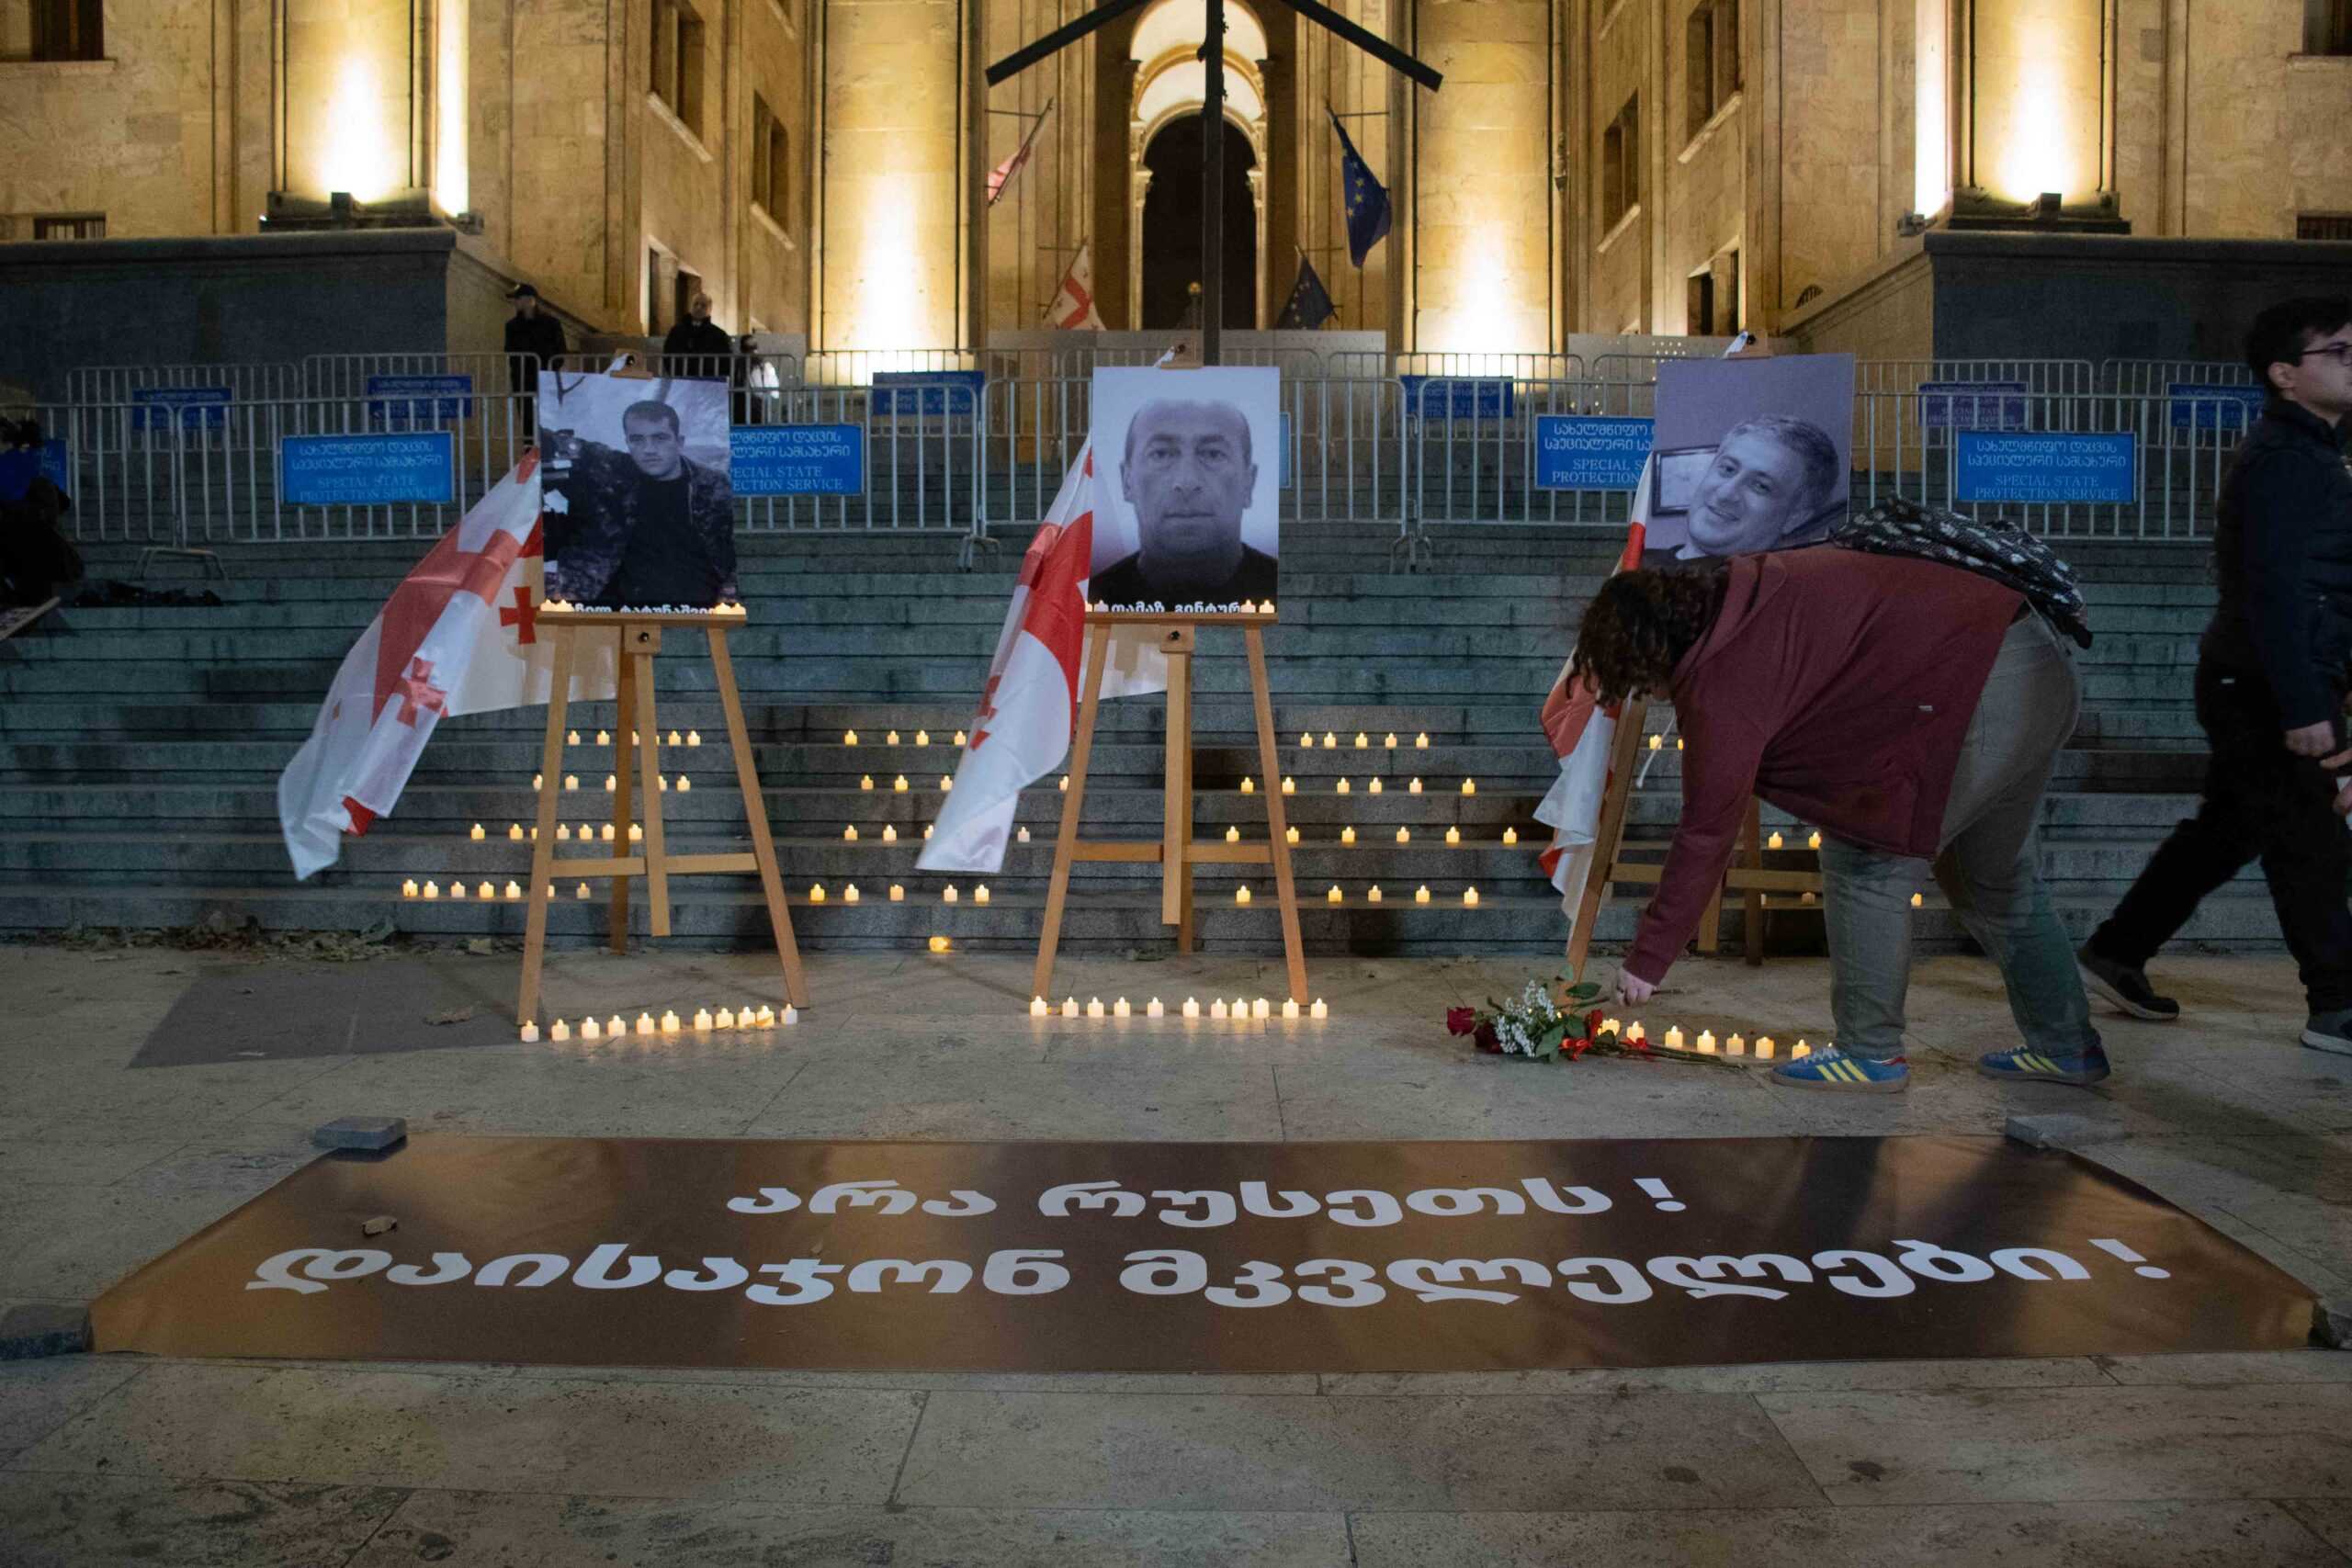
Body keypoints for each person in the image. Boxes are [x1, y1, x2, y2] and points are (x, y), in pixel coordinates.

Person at [1576, 548, 2104, 1092]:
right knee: (1992, 875)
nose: (1652, 696)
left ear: (1646, 656)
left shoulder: (1724, 673)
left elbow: (1708, 828)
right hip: (2036, 660)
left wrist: (1647, 962)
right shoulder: (1743, 590)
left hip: (1981, 682)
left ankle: (1869, 1052)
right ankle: (2066, 1047)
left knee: (1866, 857)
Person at [2076, 298, 2352, 1056]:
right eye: (2340, 351)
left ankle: (2117, 948)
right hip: (2265, 684)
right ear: (2285, 374)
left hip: (2265, 677)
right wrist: (2306, 704)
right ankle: (2337, 1003)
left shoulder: (2314, 454)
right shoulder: (2286, 460)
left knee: (2227, 832)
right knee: (2310, 841)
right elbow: (2274, 590)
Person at [545, 400, 736, 608]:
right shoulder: (615, 471)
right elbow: (565, 446)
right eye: (637, 440)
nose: (649, 449)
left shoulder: (714, 486)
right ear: (627, 442)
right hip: (611, 603)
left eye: (660, 438)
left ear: (679, 442)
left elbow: (734, 553)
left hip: (692, 607)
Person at [1092, 398, 1276, 607]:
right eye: (1161, 454)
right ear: (1127, 481)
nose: (1186, 482)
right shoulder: (1096, 597)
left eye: (1213, 454)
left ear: (1248, 482)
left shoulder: (1280, 594)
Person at [1666, 415, 1842, 559]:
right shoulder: (1639, 561)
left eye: (1760, 486)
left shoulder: (1780, 597)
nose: (1726, 493)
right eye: (1728, 469)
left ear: (1795, 518)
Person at [503, 283, 568, 437]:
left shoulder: (551, 323)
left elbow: (560, 351)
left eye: (518, 299)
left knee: (548, 422)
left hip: (546, 379)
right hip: (523, 381)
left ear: (529, 300)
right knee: (527, 423)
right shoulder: (512, 326)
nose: (515, 302)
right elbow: (510, 351)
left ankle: (546, 455)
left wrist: (550, 370)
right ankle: (530, 455)